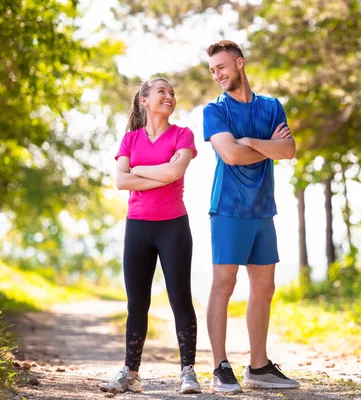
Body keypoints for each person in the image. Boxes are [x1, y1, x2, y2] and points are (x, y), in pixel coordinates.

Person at [202, 40, 300, 393]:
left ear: (239, 64)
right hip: (228, 208)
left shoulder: (272, 106)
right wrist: (264, 144)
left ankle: (258, 367)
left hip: (262, 210)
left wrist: (248, 140)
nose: (217, 75)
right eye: (213, 70)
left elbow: (288, 149)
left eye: (222, 67)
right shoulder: (214, 111)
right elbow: (230, 155)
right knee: (223, 286)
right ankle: (220, 367)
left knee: (264, 287)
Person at [99, 77, 201, 394]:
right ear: (144, 100)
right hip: (138, 227)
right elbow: (121, 182)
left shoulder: (183, 135)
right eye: (161, 92)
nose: (169, 96)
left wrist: (138, 170)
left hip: (174, 226)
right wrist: (155, 172)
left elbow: (174, 173)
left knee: (180, 299)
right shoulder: (130, 140)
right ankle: (130, 373)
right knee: (136, 304)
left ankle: (188, 373)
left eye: (172, 92)